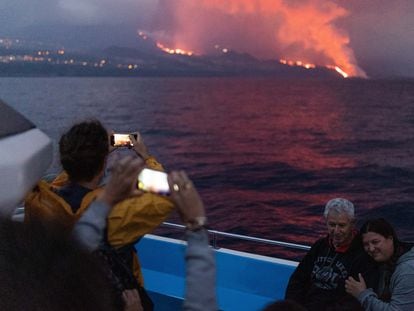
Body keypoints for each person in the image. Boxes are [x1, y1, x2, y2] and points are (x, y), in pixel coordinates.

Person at [24, 119, 175, 288]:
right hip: (110, 295)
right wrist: (145, 155)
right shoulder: (111, 213)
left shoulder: (39, 200)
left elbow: (70, 178)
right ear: (103, 163)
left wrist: (96, 154)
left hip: (65, 292)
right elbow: (170, 191)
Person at [285, 198, 378, 311]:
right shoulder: (320, 246)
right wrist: (292, 306)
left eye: (342, 225)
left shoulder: (362, 255)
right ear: (326, 222)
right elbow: (298, 280)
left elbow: (353, 302)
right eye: (332, 225)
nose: (336, 231)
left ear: (352, 223)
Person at [345, 218, 414, 310]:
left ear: (390, 239)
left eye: (375, 242)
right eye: (366, 244)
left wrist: (362, 294)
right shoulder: (381, 261)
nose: (371, 248)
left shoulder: (407, 271)